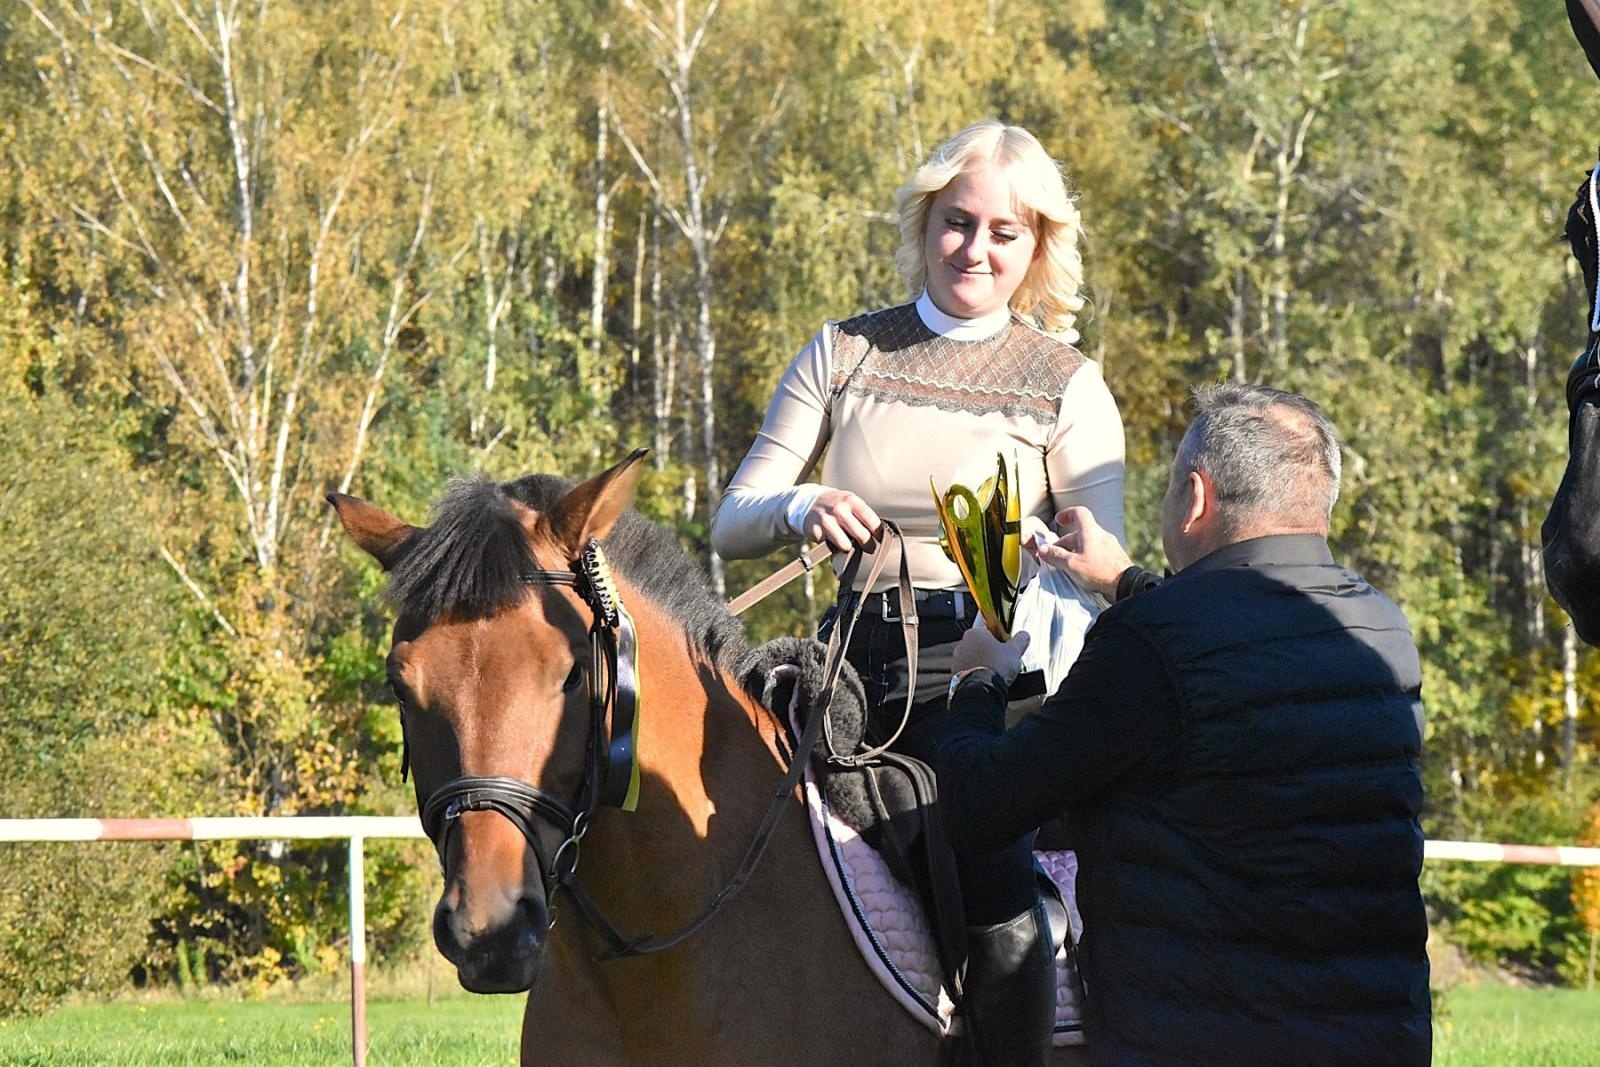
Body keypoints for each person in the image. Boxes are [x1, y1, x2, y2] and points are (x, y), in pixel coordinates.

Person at [711, 119, 1125, 1065]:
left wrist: (1046, 563)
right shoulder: (844, 349)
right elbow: (732, 519)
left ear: (1037, 245)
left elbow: (1106, 568)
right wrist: (802, 503)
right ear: (925, 221)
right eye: (957, 222)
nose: (975, 249)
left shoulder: (1070, 385)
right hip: (843, 664)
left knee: (996, 885)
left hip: (990, 679)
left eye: (1004, 232)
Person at [937, 383, 1431, 1065]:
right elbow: (1238, 640)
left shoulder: (1150, 641)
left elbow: (980, 805)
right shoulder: (1381, 625)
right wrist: (1125, 580)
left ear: (1195, 497)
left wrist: (977, 680)